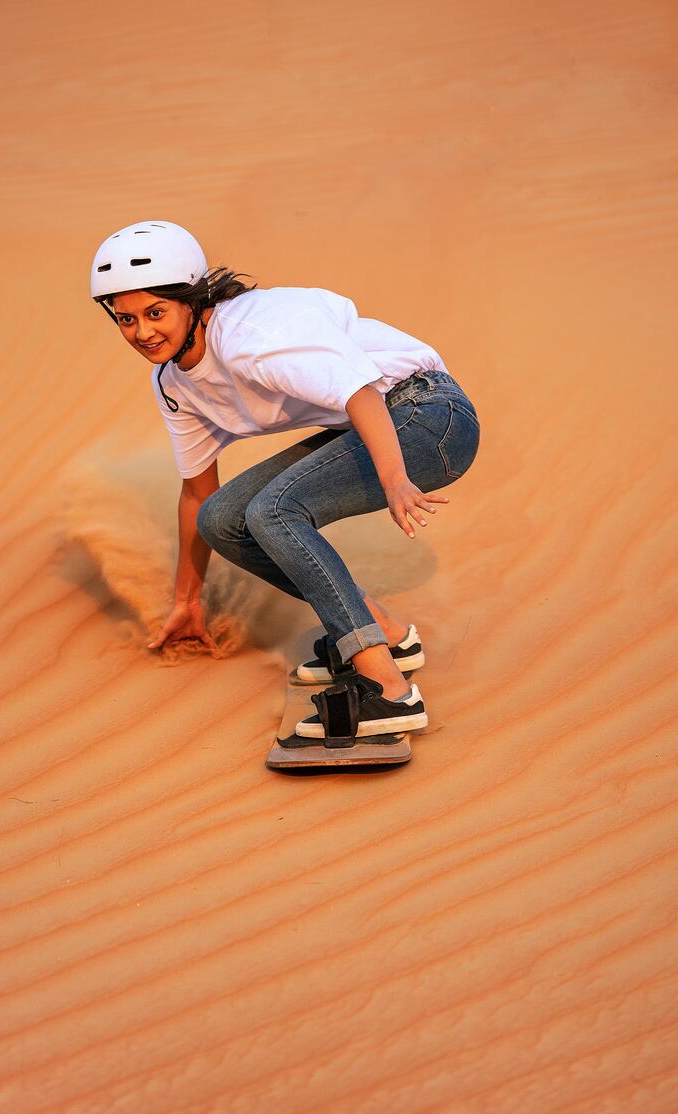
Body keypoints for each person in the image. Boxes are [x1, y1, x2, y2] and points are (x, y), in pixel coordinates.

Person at [90, 220, 479, 739]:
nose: (142, 332)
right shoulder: (175, 384)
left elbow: (361, 392)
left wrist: (395, 480)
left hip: (427, 415)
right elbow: (197, 493)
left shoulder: (252, 337)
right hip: (375, 427)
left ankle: (389, 691)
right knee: (224, 519)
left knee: (271, 511)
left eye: (155, 312)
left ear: (191, 299)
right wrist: (188, 601)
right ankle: (385, 635)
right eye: (126, 319)